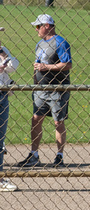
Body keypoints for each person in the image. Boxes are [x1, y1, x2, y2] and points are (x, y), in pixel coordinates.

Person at [17, 14, 72, 168]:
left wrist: (46, 67)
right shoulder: (39, 44)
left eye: (37, 26)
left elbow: (67, 64)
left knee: (58, 122)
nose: (36, 30)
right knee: (36, 120)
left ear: (47, 26)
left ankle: (59, 156)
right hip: (40, 89)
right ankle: (34, 155)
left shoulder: (60, 42)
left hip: (57, 88)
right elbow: (39, 64)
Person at [0, 33, 19, 191]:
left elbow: (14, 66)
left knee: (0, 138)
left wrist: (4, 54)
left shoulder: (2, 50)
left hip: (3, 95)